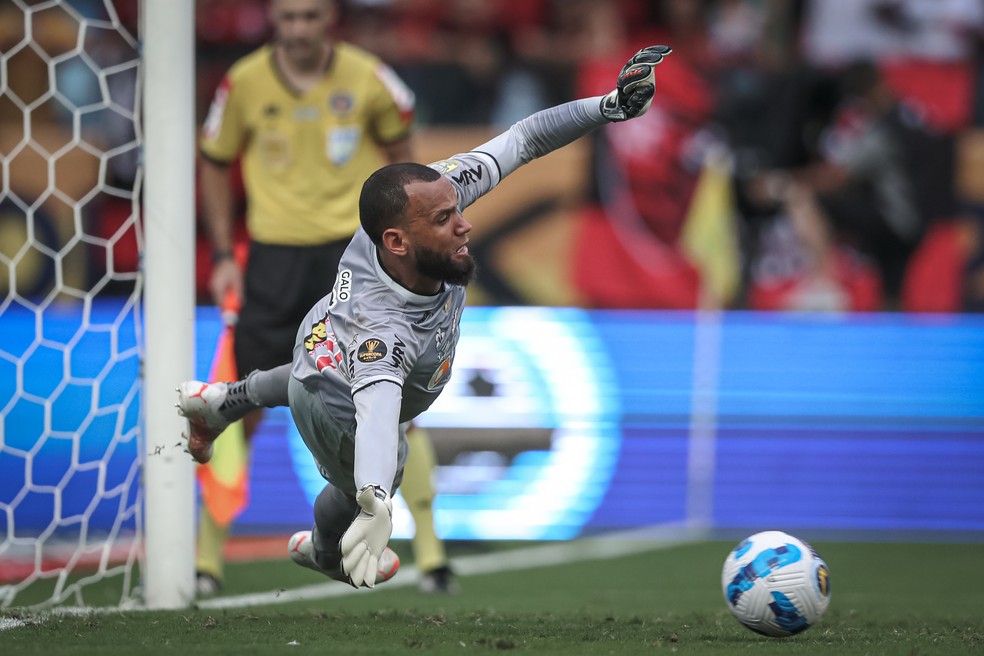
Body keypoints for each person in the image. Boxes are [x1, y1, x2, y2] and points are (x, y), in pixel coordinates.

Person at [178, 44, 672, 589]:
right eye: (445, 220)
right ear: (397, 242)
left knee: (305, 373)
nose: (463, 225)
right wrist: (375, 501)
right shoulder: (383, 332)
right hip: (336, 405)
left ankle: (224, 401)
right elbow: (376, 410)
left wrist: (605, 107)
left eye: (456, 209)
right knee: (380, 461)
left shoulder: (432, 196)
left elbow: (523, 140)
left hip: (315, 341)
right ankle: (321, 551)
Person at [195, 0, 454, 595]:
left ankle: (432, 552)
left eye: (310, 16)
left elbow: (410, 166)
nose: (298, 29)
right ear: (273, 21)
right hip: (272, 259)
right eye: (287, 17)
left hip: (353, 255)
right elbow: (213, 161)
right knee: (244, 400)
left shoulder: (369, 78)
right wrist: (225, 255)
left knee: (389, 400)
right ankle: (206, 558)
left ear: (329, 20)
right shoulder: (244, 82)